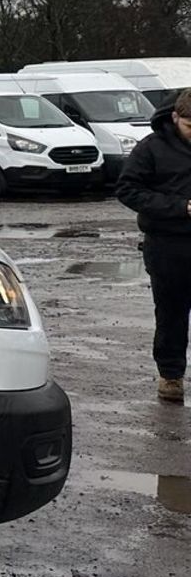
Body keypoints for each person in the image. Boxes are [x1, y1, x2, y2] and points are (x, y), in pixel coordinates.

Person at [113, 91, 191, 402]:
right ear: (175, 117)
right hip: (168, 245)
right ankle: (170, 376)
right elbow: (127, 189)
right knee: (171, 314)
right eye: (189, 125)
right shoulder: (152, 148)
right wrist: (180, 207)